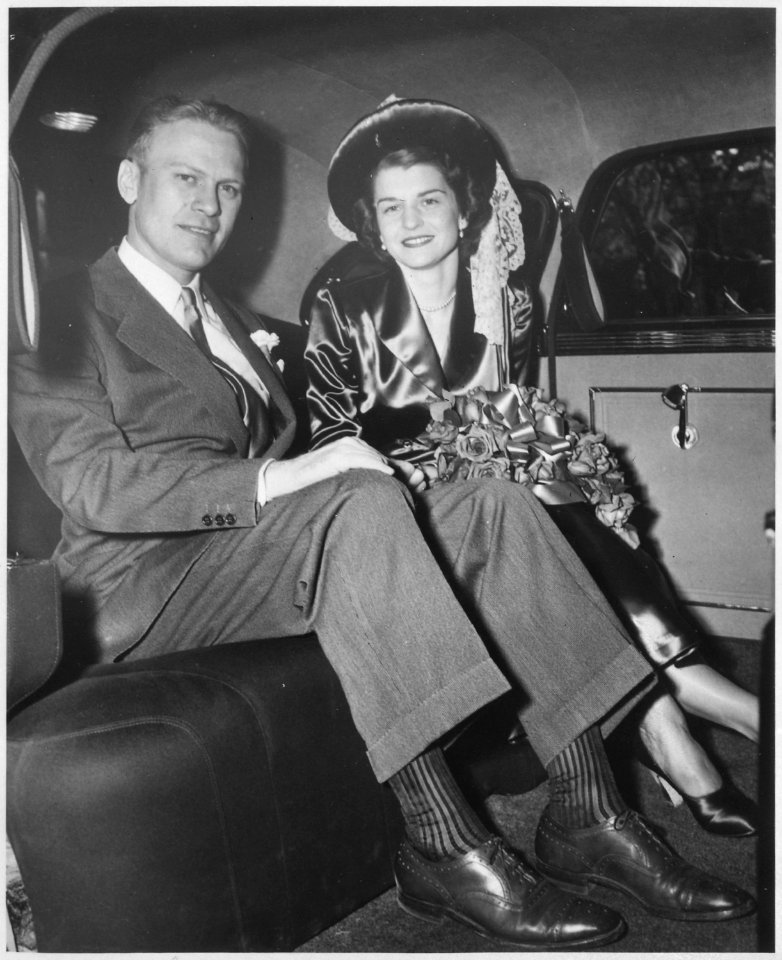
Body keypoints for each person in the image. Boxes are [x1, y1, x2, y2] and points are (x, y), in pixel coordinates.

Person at [10, 96, 754, 951]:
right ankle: (442, 842)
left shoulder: (229, 319)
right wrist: (298, 471)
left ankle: (590, 810)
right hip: (142, 593)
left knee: (491, 501)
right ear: (129, 180)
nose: (209, 205)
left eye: (228, 187)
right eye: (186, 179)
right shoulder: (56, 314)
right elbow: (95, 483)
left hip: (255, 558)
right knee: (357, 500)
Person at [304, 97, 759, 839]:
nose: (412, 221)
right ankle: (683, 696)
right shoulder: (341, 304)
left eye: (429, 200)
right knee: (530, 485)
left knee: (542, 480)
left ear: (464, 211)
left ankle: (668, 721)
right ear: (373, 227)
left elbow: (511, 415)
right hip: (401, 504)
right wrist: (414, 472)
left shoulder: (510, 304)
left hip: (502, 495)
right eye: (391, 209)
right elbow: (333, 438)